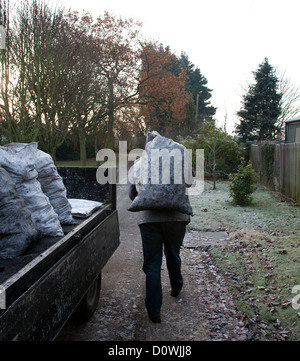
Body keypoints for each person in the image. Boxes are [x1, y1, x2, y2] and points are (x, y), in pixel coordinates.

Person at [129, 132, 192, 323]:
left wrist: (150, 200)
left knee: (152, 264)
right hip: (177, 218)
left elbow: (133, 195)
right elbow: (189, 181)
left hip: (149, 221)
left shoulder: (140, 163)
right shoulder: (178, 157)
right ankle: (176, 286)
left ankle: (154, 311)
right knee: (173, 253)